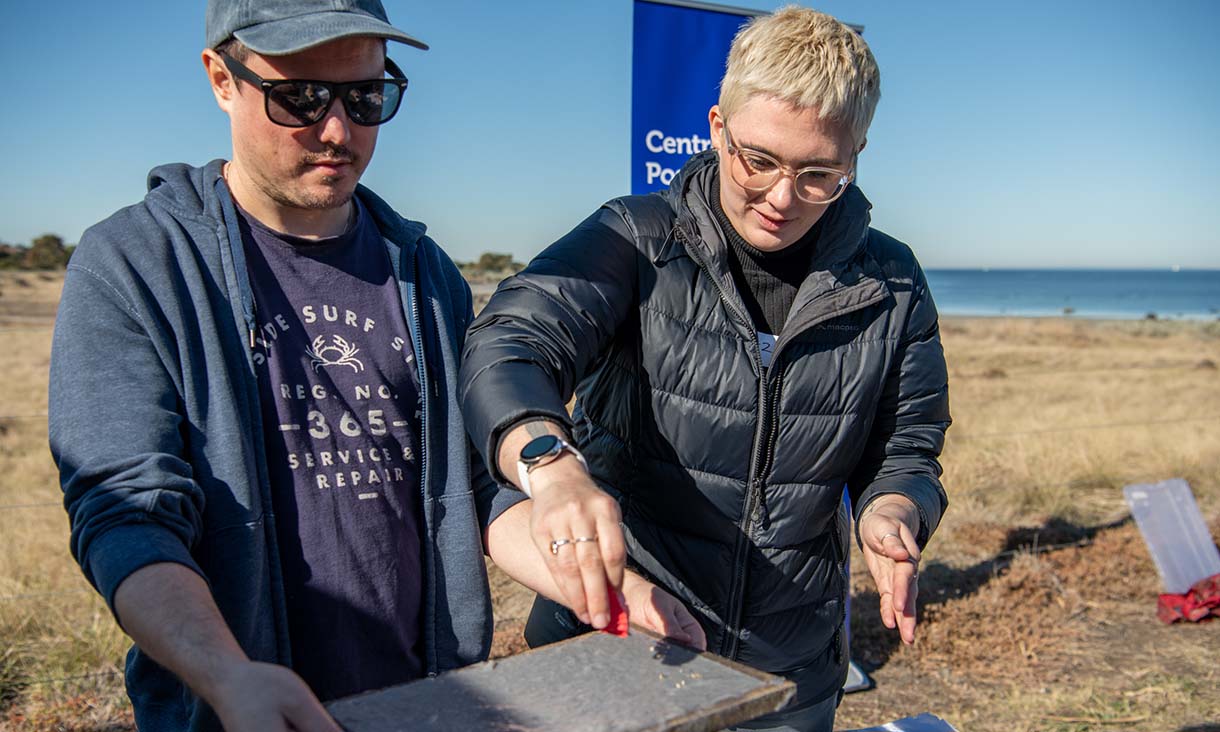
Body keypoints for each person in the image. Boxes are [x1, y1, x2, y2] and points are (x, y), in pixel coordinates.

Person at [49, 2, 700, 730]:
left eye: (366, 97)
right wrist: (227, 675)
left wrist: (605, 590)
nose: (338, 130)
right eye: (300, 97)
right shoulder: (138, 266)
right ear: (221, 79)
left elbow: (477, 493)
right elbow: (129, 515)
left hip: (425, 704)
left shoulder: (424, 274)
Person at [459, 6, 950, 731]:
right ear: (717, 128)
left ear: (857, 154)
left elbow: (907, 444)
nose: (782, 198)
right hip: (618, 645)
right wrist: (550, 466)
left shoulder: (892, 281)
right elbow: (511, 340)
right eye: (759, 160)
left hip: (789, 674)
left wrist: (894, 506)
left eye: (820, 174)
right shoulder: (636, 240)